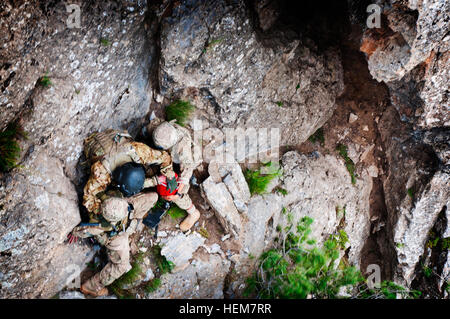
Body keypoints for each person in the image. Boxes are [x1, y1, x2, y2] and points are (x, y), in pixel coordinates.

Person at [68, 190, 158, 297]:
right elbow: (83, 231)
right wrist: (75, 232)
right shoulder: (100, 226)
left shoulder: (108, 201)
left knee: (153, 197)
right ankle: (90, 286)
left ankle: (134, 224)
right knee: (122, 266)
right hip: (117, 236)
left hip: (126, 209)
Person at [82, 129, 176, 214]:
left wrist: (170, 175)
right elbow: (88, 197)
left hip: (112, 135)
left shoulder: (138, 152)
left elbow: (164, 157)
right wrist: (102, 210)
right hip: (94, 144)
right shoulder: (102, 174)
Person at [151, 121, 202, 231]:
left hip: (185, 164)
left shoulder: (183, 151)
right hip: (171, 156)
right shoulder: (162, 131)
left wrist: (176, 193)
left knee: (175, 194)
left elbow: (186, 173)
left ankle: (193, 213)